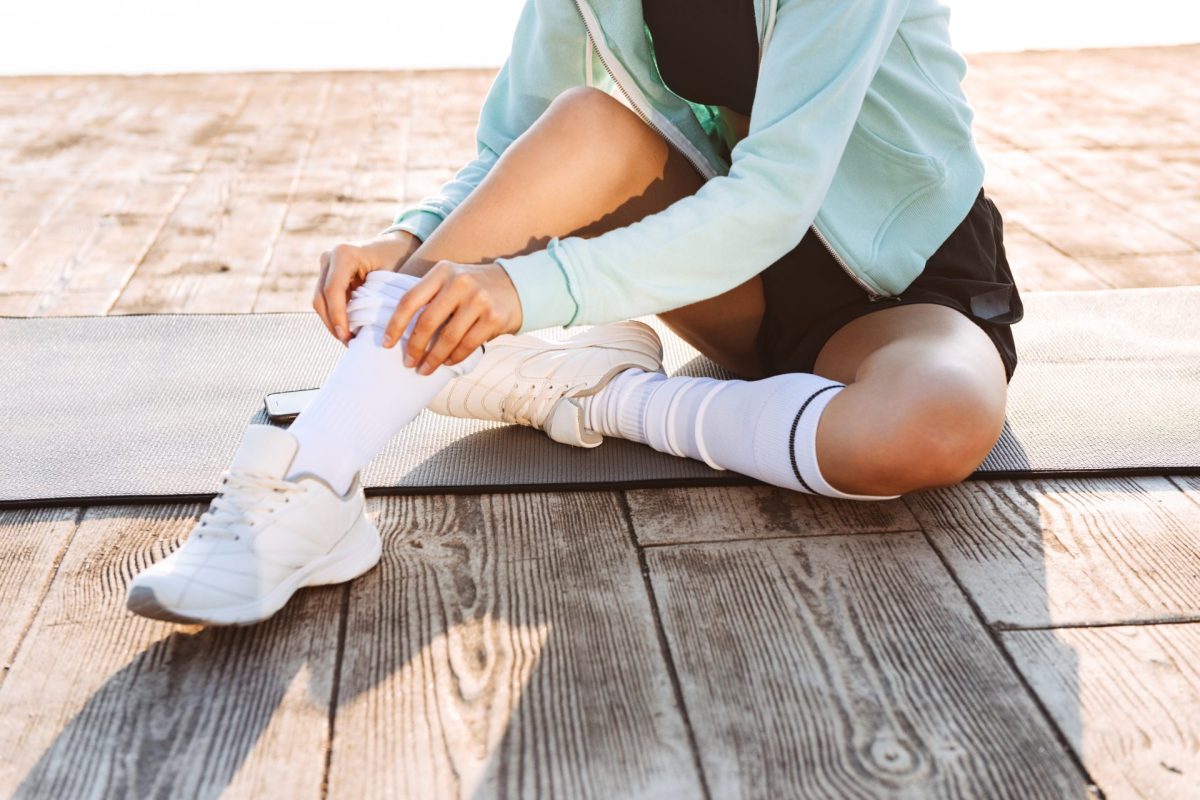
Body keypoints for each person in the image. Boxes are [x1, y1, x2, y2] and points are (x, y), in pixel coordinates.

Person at [127, 0, 1024, 626]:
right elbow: (511, 145)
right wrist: (408, 242)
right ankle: (312, 481)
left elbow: (778, 195)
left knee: (935, 425)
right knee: (584, 123)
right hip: (735, 278)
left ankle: (601, 398)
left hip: (900, 288)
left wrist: (527, 290)